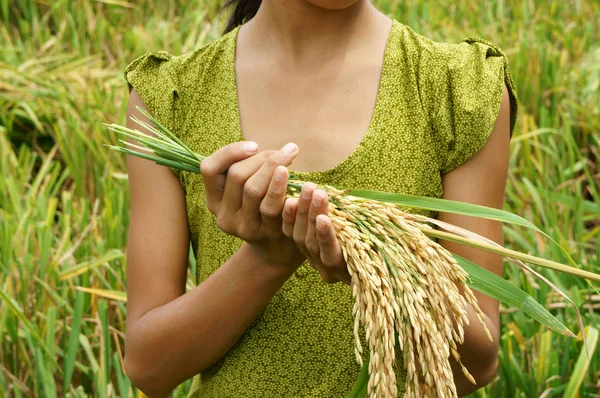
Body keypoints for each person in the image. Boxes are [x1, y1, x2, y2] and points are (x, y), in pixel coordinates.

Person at [122, 0, 518, 397]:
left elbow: (477, 361)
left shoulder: (455, 89)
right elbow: (149, 366)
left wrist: (373, 271)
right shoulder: (172, 99)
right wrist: (264, 261)